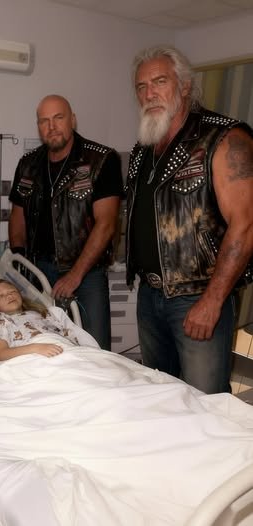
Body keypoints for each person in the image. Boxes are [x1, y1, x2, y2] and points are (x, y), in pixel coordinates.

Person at [126, 45, 253, 394]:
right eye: (141, 86)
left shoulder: (223, 138)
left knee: (205, 402)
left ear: (184, 86)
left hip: (197, 296)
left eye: (159, 81)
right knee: (161, 395)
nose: (149, 93)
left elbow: (245, 225)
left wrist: (212, 302)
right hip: (150, 295)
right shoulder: (143, 148)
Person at [8, 95, 123, 351]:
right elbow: (17, 216)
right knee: (45, 347)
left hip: (86, 274)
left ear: (73, 120)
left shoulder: (101, 160)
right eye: (44, 121)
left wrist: (75, 275)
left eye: (58, 118)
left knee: (94, 350)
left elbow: (106, 224)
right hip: (39, 272)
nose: (52, 126)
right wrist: (19, 264)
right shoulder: (28, 165)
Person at [0, 277, 99, 361]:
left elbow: (68, 334)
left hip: (64, 348)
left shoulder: (43, 313)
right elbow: (2, 354)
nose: (9, 296)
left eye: (12, 291)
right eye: (1, 296)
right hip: (34, 352)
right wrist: (36, 348)